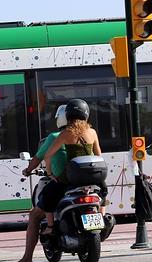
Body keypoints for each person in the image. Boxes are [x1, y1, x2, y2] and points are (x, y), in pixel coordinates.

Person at [7, 105, 68, 262]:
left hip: (62, 183)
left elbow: (39, 157)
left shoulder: (56, 136)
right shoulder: (86, 134)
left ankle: (27, 258)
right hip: (84, 183)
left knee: (34, 214)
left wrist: (28, 170)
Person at [43, 98, 107, 235]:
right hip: (93, 176)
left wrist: (50, 174)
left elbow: (47, 156)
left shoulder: (65, 133)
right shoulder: (92, 132)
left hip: (72, 176)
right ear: (86, 114)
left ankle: (50, 227)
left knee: (47, 195)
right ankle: (101, 218)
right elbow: (99, 155)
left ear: (67, 115)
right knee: (103, 193)